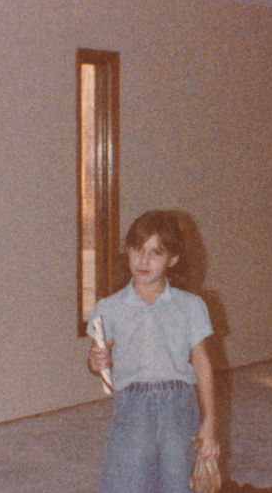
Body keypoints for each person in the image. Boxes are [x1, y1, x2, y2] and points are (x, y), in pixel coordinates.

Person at [87, 210, 218, 493]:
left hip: (179, 406)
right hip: (132, 407)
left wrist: (209, 423)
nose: (143, 261)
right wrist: (96, 360)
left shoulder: (190, 305)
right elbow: (98, 355)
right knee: (126, 480)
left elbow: (202, 363)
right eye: (137, 250)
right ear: (128, 252)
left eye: (156, 253)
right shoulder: (110, 308)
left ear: (173, 259)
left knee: (178, 482)